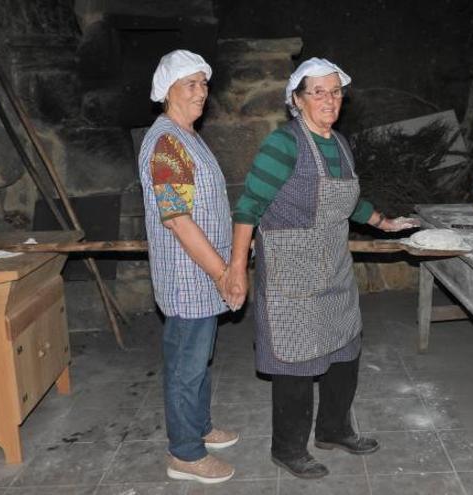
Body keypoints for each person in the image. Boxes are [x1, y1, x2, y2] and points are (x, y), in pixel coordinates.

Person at [224, 58, 418, 479]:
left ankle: (334, 429)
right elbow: (248, 207)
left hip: (333, 266)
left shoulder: (341, 144)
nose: (329, 100)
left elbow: (351, 202)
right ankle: (289, 449)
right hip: (292, 272)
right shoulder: (284, 144)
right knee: (296, 362)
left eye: (335, 92)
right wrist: (237, 268)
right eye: (318, 92)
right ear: (297, 100)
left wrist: (384, 222)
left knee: (345, 351)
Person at [137, 49, 238, 485]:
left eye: (203, 83)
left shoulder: (187, 136)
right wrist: (223, 272)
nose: (200, 92)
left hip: (203, 273)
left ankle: (199, 427)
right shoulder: (166, 143)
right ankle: (185, 453)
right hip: (188, 276)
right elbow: (178, 219)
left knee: (198, 359)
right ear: (167, 91)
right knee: (186, 365)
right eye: (190, 84)